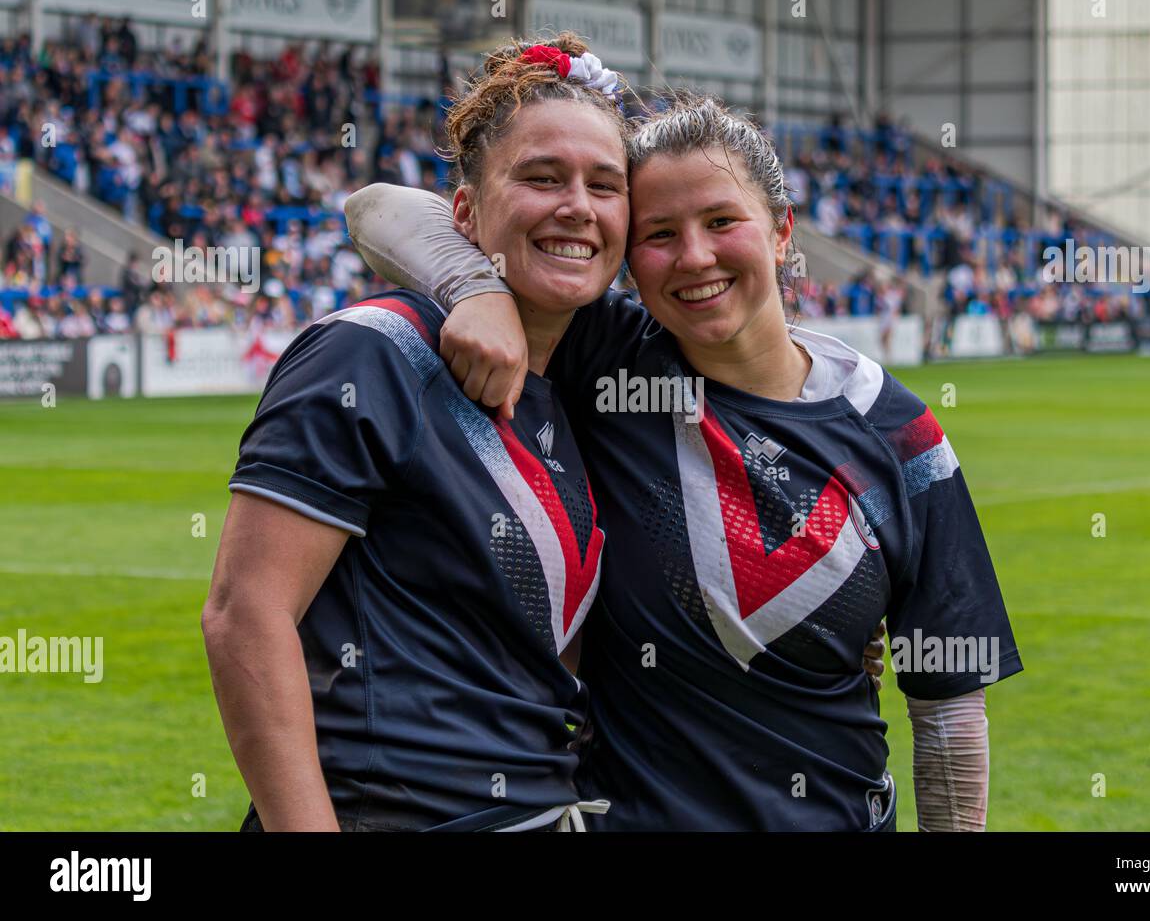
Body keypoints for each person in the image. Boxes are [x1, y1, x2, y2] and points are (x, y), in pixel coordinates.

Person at [347, 90, 1022, 831]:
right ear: (629, 256)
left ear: (781, 230)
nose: (694, 256)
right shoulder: (603, 357)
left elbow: (948, 707)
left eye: (722, 221)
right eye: (659, 233)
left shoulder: (900, 435)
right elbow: (376, 208)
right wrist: (474, 287)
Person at [202, 34, 632, 832]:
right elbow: (244, 614)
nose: (577, 204)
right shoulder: (372, 348)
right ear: (463, 211)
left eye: (604, 185)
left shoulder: (578, 386)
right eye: (541, 178)